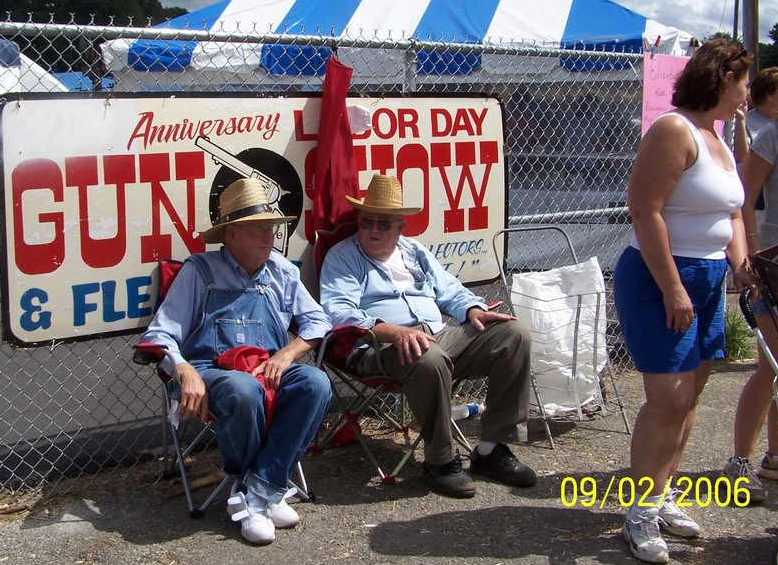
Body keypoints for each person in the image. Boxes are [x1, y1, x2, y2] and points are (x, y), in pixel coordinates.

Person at [612, 38, 757, 565]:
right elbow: (644, 209)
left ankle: (660, 493)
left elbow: (735, 216)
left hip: (710, 276)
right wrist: (673, 286)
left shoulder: (718, 137)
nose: (748, 90)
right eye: (744, 80)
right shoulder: (673, 130)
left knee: (692, 395)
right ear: (723, 78)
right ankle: (639, 513)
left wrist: (740, 265)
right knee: (668, 398)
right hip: (660, 276)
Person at [139, 178, 332, 545]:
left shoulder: (282, 271)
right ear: (230, 233)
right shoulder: (200, 272)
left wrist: (287, 353)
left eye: (272, 227)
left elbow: (318, 321)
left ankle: (258, 490)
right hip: (212, 372)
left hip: (267, 368)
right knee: (243, 390)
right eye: (258, 228)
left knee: (315, 383)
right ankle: (261, 492)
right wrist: (185, 370)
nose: (269, 236)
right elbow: (161, 335)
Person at [319, 174, 535, 499]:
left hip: (435, 336)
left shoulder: (414, 251)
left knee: (512, 334)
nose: (373, 230)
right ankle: (441, 462)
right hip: (377, 346)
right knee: (427, 357)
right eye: (366, 222)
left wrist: (473, 310)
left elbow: (450, 291)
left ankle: (491, 450)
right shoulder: (342, 257)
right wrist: (395, 332)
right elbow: (340, 314)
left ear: (400, 228)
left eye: (383, 224)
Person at [724, 53, 778, 500]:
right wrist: (751, 259)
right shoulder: (776, 137)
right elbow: (744, 199)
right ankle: (738, 460)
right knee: (775, 363)